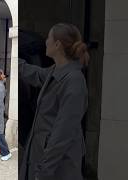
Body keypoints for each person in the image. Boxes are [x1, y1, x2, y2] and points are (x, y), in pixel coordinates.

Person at [20, 23, 89, 180]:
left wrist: (43, 172)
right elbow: (36, 74)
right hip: (41, 160)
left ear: (57, 44)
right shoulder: (55, 71)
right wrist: (17, 63)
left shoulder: (74, 81)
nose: (46, 42)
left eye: (49, 38)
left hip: (58, 169)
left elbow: (62, 134)